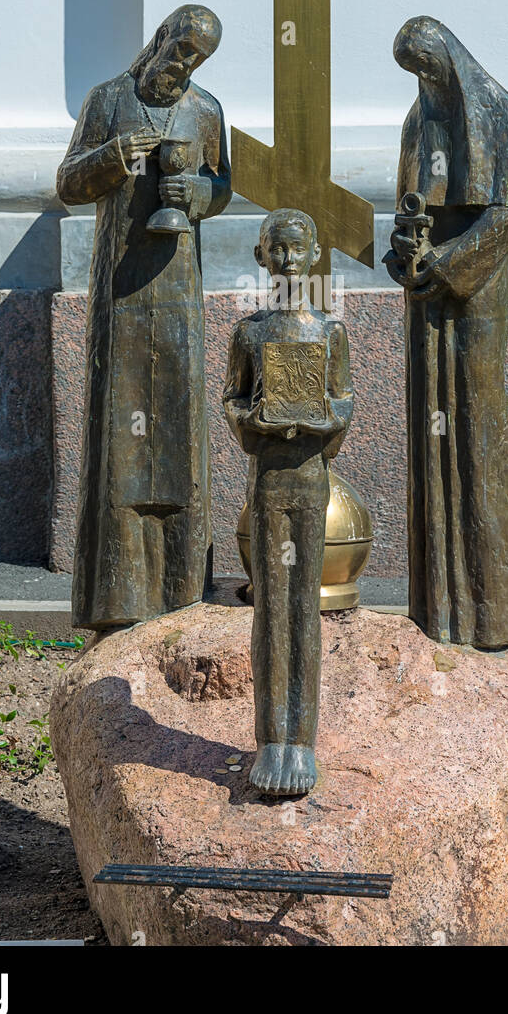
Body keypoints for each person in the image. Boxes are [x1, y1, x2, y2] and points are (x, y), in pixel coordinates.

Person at [57, 5, 231, 629]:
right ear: (158, 39)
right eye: (180, 50)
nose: (184, 67)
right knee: (119, 439)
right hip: (123, 292)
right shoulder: (107, 100)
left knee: (179, 431)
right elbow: (68, 183)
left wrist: (201, 197)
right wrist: (112, 155)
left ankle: (183, 589)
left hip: (178, 291)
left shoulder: (205, 111)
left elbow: (222, 184)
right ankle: (118, 597)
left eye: (197, 59)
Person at [384, 16, 508, 650]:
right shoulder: (418, 122)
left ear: (451, 59)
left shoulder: (501, 113)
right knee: (431, 426)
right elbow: (406, 210)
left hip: (474, 289)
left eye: (428, 68)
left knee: (474, 420)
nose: (423, 82)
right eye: (413, 73)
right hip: (429, 295)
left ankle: (491, 611)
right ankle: (436, 608)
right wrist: (404, 253)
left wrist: (454, 261)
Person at [223, 209, 353, 796]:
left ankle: (301, 741)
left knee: (304, 608)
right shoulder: (250, 334)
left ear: (316, 254)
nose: (289, 260)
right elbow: (231, 399)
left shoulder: (329, 332)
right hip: (269, 481)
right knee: (271, 608)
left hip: (310, 481)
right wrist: (256, 421)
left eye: (299, 250)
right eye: (278, 249)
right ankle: (269, 739)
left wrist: (322, 421)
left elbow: (344, 403)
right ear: (261, 257)